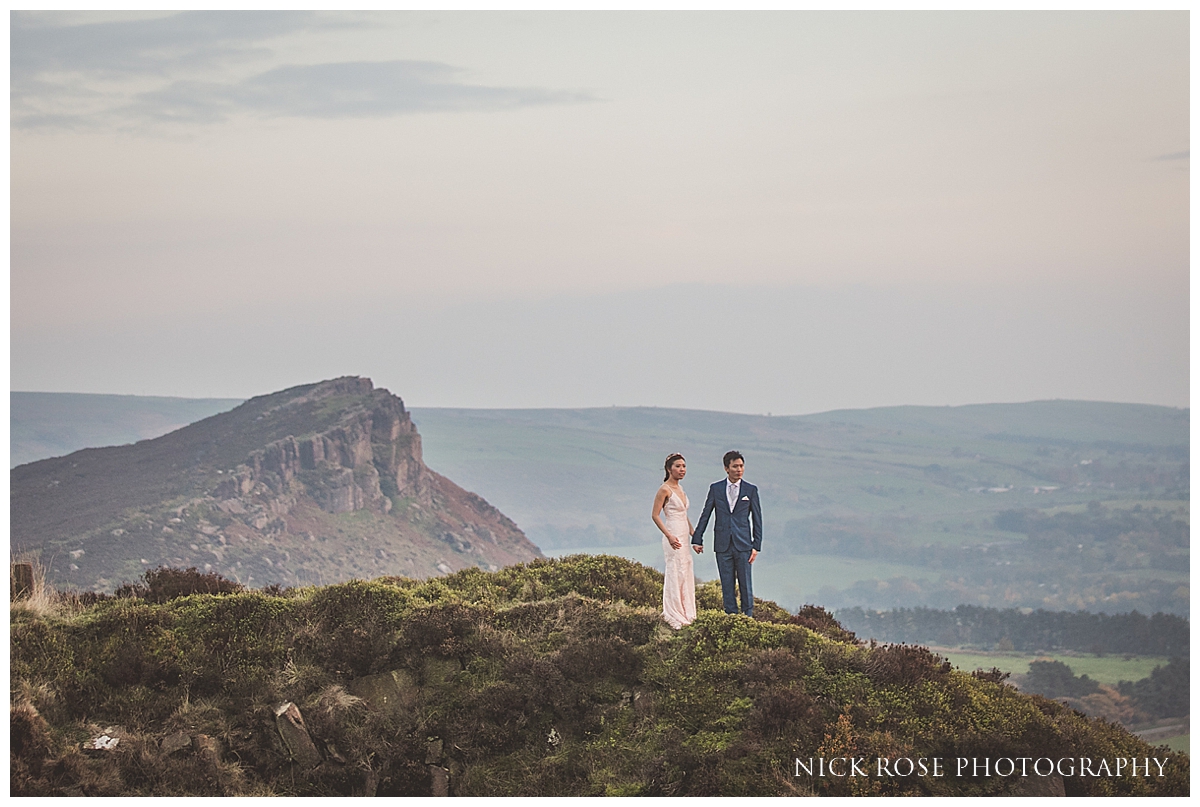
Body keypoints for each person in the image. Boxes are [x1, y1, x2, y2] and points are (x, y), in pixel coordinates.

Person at [691, 451, 762, 616]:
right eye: (735, 466)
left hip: (744, 545)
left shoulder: (750, 490)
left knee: (745, 583)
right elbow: (706, 514)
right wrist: (697, 538)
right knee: (727, 584)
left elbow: (757, 519)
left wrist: (756, 545)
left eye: (741, 466)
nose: (739, 470)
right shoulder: (716, 488)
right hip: (723, 545)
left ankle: (747, 617)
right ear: (726, 468)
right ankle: (731, 617)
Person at [652, 452, 697, 629]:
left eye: (684, 466)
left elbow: (684, 514)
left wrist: (694, 533)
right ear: (669, 469)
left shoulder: (681, 490)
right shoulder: (664, 489)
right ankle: (673, 613)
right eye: (678, 466)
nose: (682, 470)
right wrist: (669, 536)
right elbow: (655, 515)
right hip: (672, 534)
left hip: (684, 535)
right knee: (675, 570)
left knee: (685, 569)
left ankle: (687, 611)